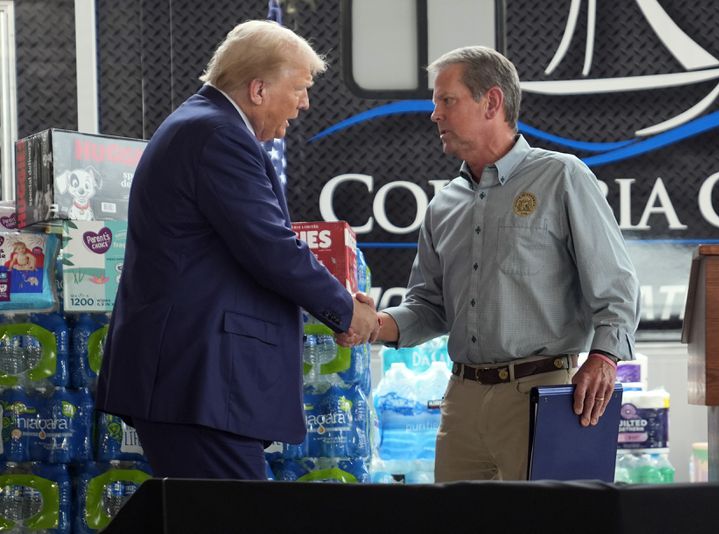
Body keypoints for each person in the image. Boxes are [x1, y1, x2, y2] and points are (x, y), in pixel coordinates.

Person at [95, 20, 378, 480]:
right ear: (259, 89)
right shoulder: (216, 135)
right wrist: (346, 310)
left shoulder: (202, 125)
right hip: (198, 385)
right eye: (301, 87)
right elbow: (270, 248)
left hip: (194, 385)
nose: (305, 102)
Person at [373, 46, 641, 482]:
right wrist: (372, 323)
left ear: (492, 102)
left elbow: (616, 285)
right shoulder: (443, 204)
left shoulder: (561, 176)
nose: (434, 114)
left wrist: (605, 357)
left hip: (543, 397)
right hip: (460, 402)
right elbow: (429, 307)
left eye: (447, 100)